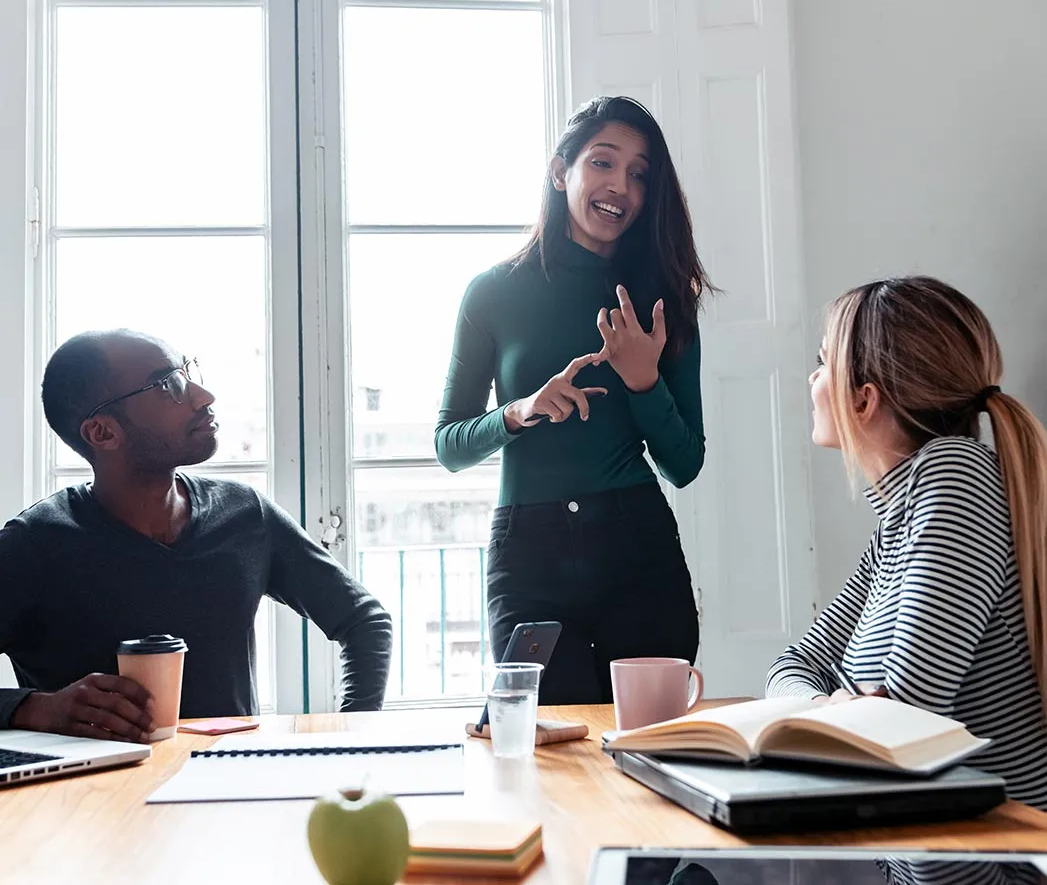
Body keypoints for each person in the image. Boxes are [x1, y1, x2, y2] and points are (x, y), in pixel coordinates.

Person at [435, 96, 711, 704]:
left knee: (650, 745)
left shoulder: (664, 298)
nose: (621, 187)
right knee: (550, 747)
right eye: (603, 163)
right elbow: (449, 446)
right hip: (529, 556)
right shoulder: (492, 293)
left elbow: (685, 463)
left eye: (639, 174)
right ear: (561, 172)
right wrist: (519, 412)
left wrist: (643, 380)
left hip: (638, 549)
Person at [0, 330, 393, 742]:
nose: (203, 396)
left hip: (235, 779)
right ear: (103, 433)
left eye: (188, 373)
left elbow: (364, 620)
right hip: (100, 785)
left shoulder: (244, 513)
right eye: (168, 384)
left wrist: (352, 738)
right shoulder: (33, 544)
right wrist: (37, 708)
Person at [766, 277, 1047, 811]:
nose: (813, 377)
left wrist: (838, 710)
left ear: (864, 399)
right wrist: (832, 707)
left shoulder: (956, 476)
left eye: (823, 362)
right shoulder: (896, 527)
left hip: (992, 849)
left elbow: (904, 719)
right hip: (919, 834)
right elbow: (793, 664)